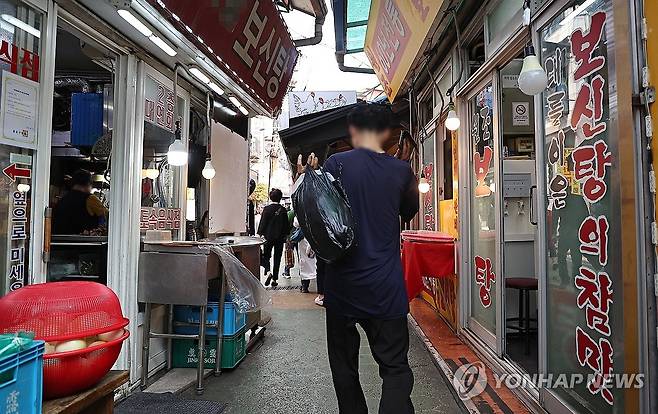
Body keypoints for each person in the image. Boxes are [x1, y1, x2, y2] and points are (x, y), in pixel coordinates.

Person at [312, 104, 419, 414]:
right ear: (387, 134)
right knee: (395, 368)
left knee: (344, 368)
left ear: (354, 131)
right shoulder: (401, 171)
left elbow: (322, 218)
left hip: (342, 285)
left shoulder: (335, 164)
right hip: (385, 286)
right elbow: (407, 213)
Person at [53, 169, 108, 235]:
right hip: (85, 242)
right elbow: (107, 216)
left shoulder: (62, 200)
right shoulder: (90, 198)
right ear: (88, 183)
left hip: (60, 242)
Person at [257, 188, 291, 287]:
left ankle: (268, 272)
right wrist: (287, 236)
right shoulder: (283, 210)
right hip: (280, 238)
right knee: (277, 257)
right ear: (280, 198)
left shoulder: (267, 209)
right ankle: (275, 279)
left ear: (270, 197)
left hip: (268, 237)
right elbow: (286, 226)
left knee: (266, 256)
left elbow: (263, 224)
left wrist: (259, 234)